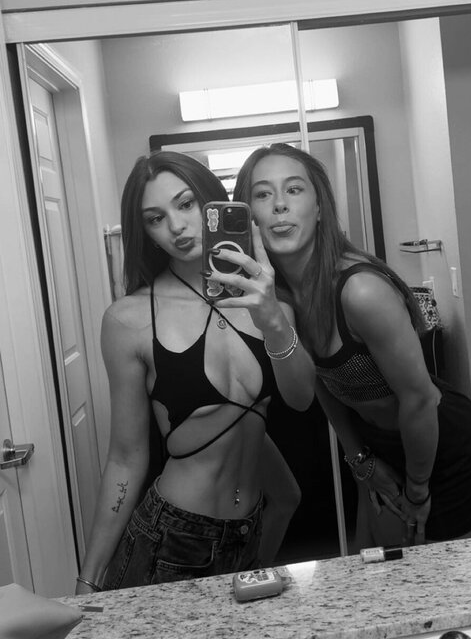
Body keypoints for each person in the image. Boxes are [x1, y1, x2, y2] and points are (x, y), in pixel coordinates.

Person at [233, 143, 471, 549]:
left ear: (319, 208)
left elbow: (419, 399)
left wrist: (417, 490)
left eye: (294, 189)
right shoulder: (283, 296)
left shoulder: (360, 291)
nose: (279, 205)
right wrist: (360, 460)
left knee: (443, 578)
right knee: (377, 568)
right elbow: (312, 390)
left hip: (441, 450)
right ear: (249, 216)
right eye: (262, 194)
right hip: (380, 447)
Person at [76, 151, 315, 594]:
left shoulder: (268, 302)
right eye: (155, 218)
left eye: (186, 204)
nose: (176, 226)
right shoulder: (129, 319)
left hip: (246, 535)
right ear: (145, 232)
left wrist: (274, 320)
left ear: (211, 204)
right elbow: (125, 458)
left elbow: (299, 400)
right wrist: (88, 579)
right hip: (171, 539)